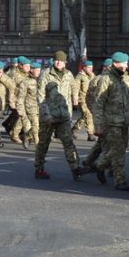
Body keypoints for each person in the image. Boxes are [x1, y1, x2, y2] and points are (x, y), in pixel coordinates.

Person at [85, 52, 129, 191]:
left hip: (124, 121)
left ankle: (100, 165)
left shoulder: (126, 79)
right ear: (116, 64)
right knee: (118, 151)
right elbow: (98, 103)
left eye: (127, 63)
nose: (126, 66)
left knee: (122, 148)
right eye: (124, 63)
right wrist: (98, 125)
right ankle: (120, 181)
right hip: (110, 122)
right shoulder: (106, 79)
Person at [34, 51, 87, 180]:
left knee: (68, 143)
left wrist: (71, 109)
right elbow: (41, 97)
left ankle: (75, 168)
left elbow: (71, 91)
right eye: (56, 60)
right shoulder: (45, 74)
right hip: (49, 117)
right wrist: (46, 115)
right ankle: (39, 169)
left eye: (61, 61)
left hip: (63, 116)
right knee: (43, 144)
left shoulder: (69, 75)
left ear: (65, 63)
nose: (58, 62)